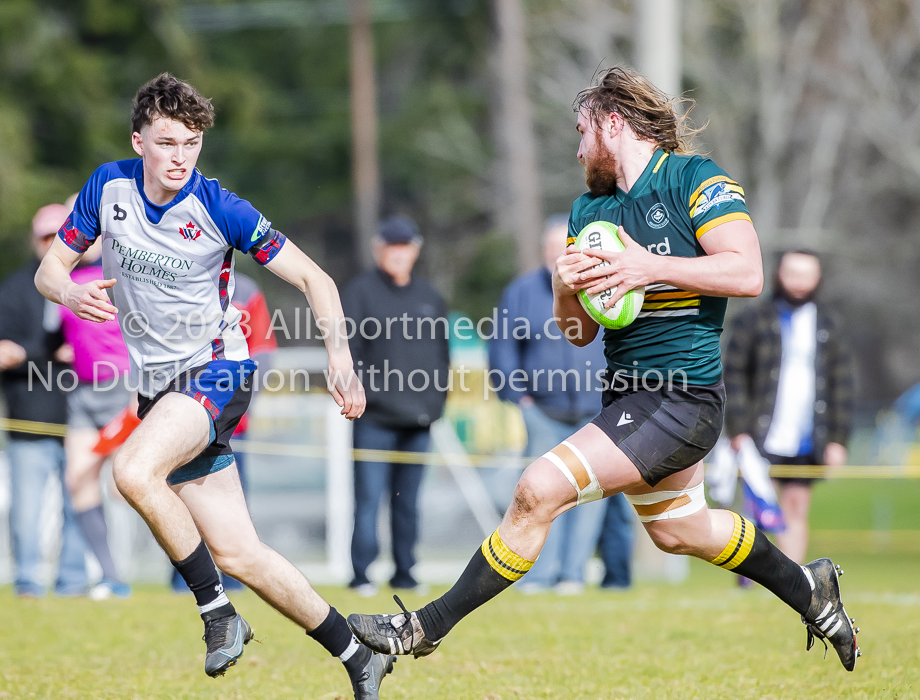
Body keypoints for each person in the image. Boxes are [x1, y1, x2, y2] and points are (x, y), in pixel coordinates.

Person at [347, 66, 860, 672]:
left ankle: (422, 629)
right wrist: (566, 291)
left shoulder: (694, 179)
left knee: (537, 489)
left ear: (612, 123)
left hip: (682, 398)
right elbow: (581, 332)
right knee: (681, 531)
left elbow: (746, 272)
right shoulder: (591, 209)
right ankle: (810, 589)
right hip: (627, 397)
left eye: (581, 131)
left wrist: (649, 267)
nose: (577, 147)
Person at [34, 74, 394, 698]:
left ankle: (216, 613)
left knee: (132, 471)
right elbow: (50, 269)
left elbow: (317, 279)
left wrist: (340, 356)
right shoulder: (108, 186)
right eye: (168, 142)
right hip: (157, 386)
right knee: (239, 553)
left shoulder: (219, 207)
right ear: (138, 139)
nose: (180, 157)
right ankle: (357, 655)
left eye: (192, 143)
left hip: (216, 370)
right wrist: (68, 290)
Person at [489, 214, 633, 594]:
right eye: (550, 248)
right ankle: (537, 575)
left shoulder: (602, 288)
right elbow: (502, 348)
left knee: (588, 500)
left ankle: (573, 574)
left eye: (562, 247)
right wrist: (517, 397)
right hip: (542, 413)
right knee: (539, 497)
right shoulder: (520, 291)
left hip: (595, 415)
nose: (557, 255)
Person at [341, 216, 449, 597]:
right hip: (374, 419)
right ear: (378, 249)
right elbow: (346, 353)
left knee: (409, 504)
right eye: (392, 246)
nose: (399, 254)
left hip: (418, 421)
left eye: (405, 247)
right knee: (368, 501)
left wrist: (435, 405)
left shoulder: (430, 297)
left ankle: (406, 571)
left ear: (415, 251)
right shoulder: (359, 293)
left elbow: (441, 355)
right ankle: (361, 574)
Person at [725, 250, 853, 565]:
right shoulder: (755, 318)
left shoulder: (829, 324)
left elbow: (842, 385)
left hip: (810, 435)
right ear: (779, 274)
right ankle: (753, 582)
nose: (798, 283)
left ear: (818, 278)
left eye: (806, 275)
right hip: (761, 431)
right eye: (791, 273)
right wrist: (738, 428)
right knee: (759, 509)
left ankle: (793, 582)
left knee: (796, 508)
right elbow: (733, 375)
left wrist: (838, 439)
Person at [0, 205, 88, 599]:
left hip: (79, 418)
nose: (52, 244)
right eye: (46, 237)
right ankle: (28, 582)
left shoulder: (91, 284)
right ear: (35, 240)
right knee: (27, 512)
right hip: (28, 420)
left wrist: (26, 354)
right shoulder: (14, 289)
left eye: (58, 235)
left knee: (79, 507)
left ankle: (73, 581)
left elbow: (103, 352)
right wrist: (49, 353)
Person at [171, 270, 276, 595]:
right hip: (182, 414)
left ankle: (234, 577)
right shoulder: (177, 278)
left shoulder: (247, 289)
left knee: (229, 502)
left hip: (231, 422)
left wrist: (239, 401)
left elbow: (264, 350)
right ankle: (184, 579)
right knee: (182, 497)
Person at [57, 234, 133, 600]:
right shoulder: (61, 279)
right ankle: (111, 576)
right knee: (78, 479)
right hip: (82, 391)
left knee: (127, 486)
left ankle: (189, 567)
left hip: (122, 387)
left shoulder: (122, 271)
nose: (80, 236)